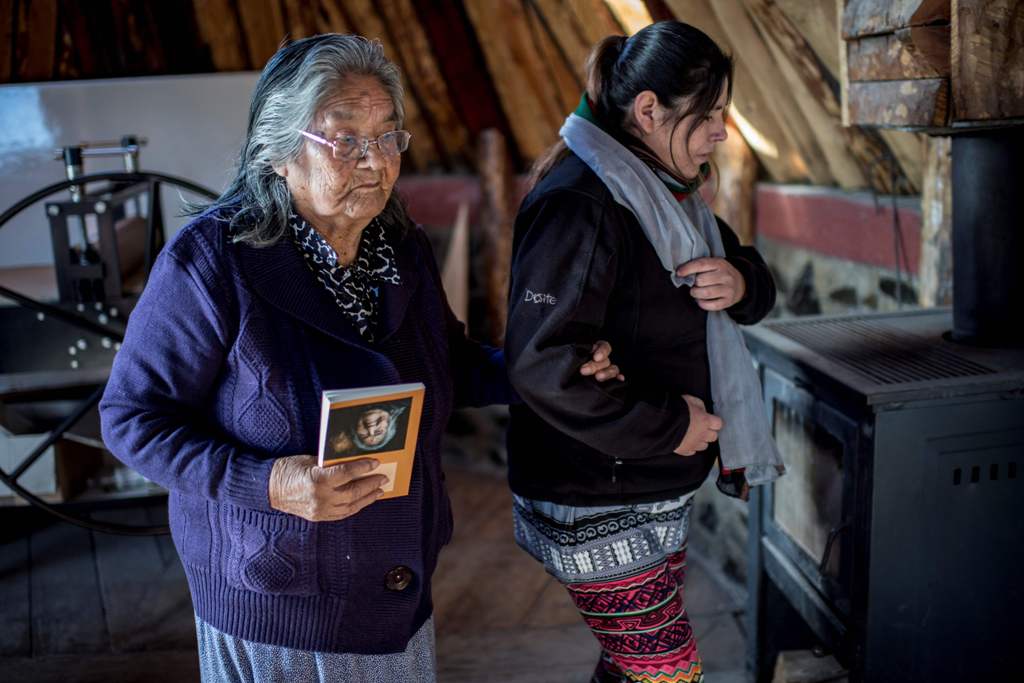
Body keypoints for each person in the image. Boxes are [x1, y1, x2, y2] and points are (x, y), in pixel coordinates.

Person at [99, 34, 623, 682]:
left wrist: (550, 370)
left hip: (398, 585)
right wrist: (268, 483)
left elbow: (450, 366)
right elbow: (129, 418)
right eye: (346, 140)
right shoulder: (212, 262)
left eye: (387, 137)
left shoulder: (401, 248)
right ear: (278, 150)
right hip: (278, 600)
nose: (374, 161)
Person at [504, 21, 783, 683]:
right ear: (649, 110)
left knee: (633, 669)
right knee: (668, 673)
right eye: (708, 116)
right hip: (598, 491)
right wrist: (673, 423)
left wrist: (740, 280)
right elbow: (544, 362)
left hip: (645, 484)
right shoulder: (583, 202)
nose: (721, 132)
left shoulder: (674, 198)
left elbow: (749, 274)